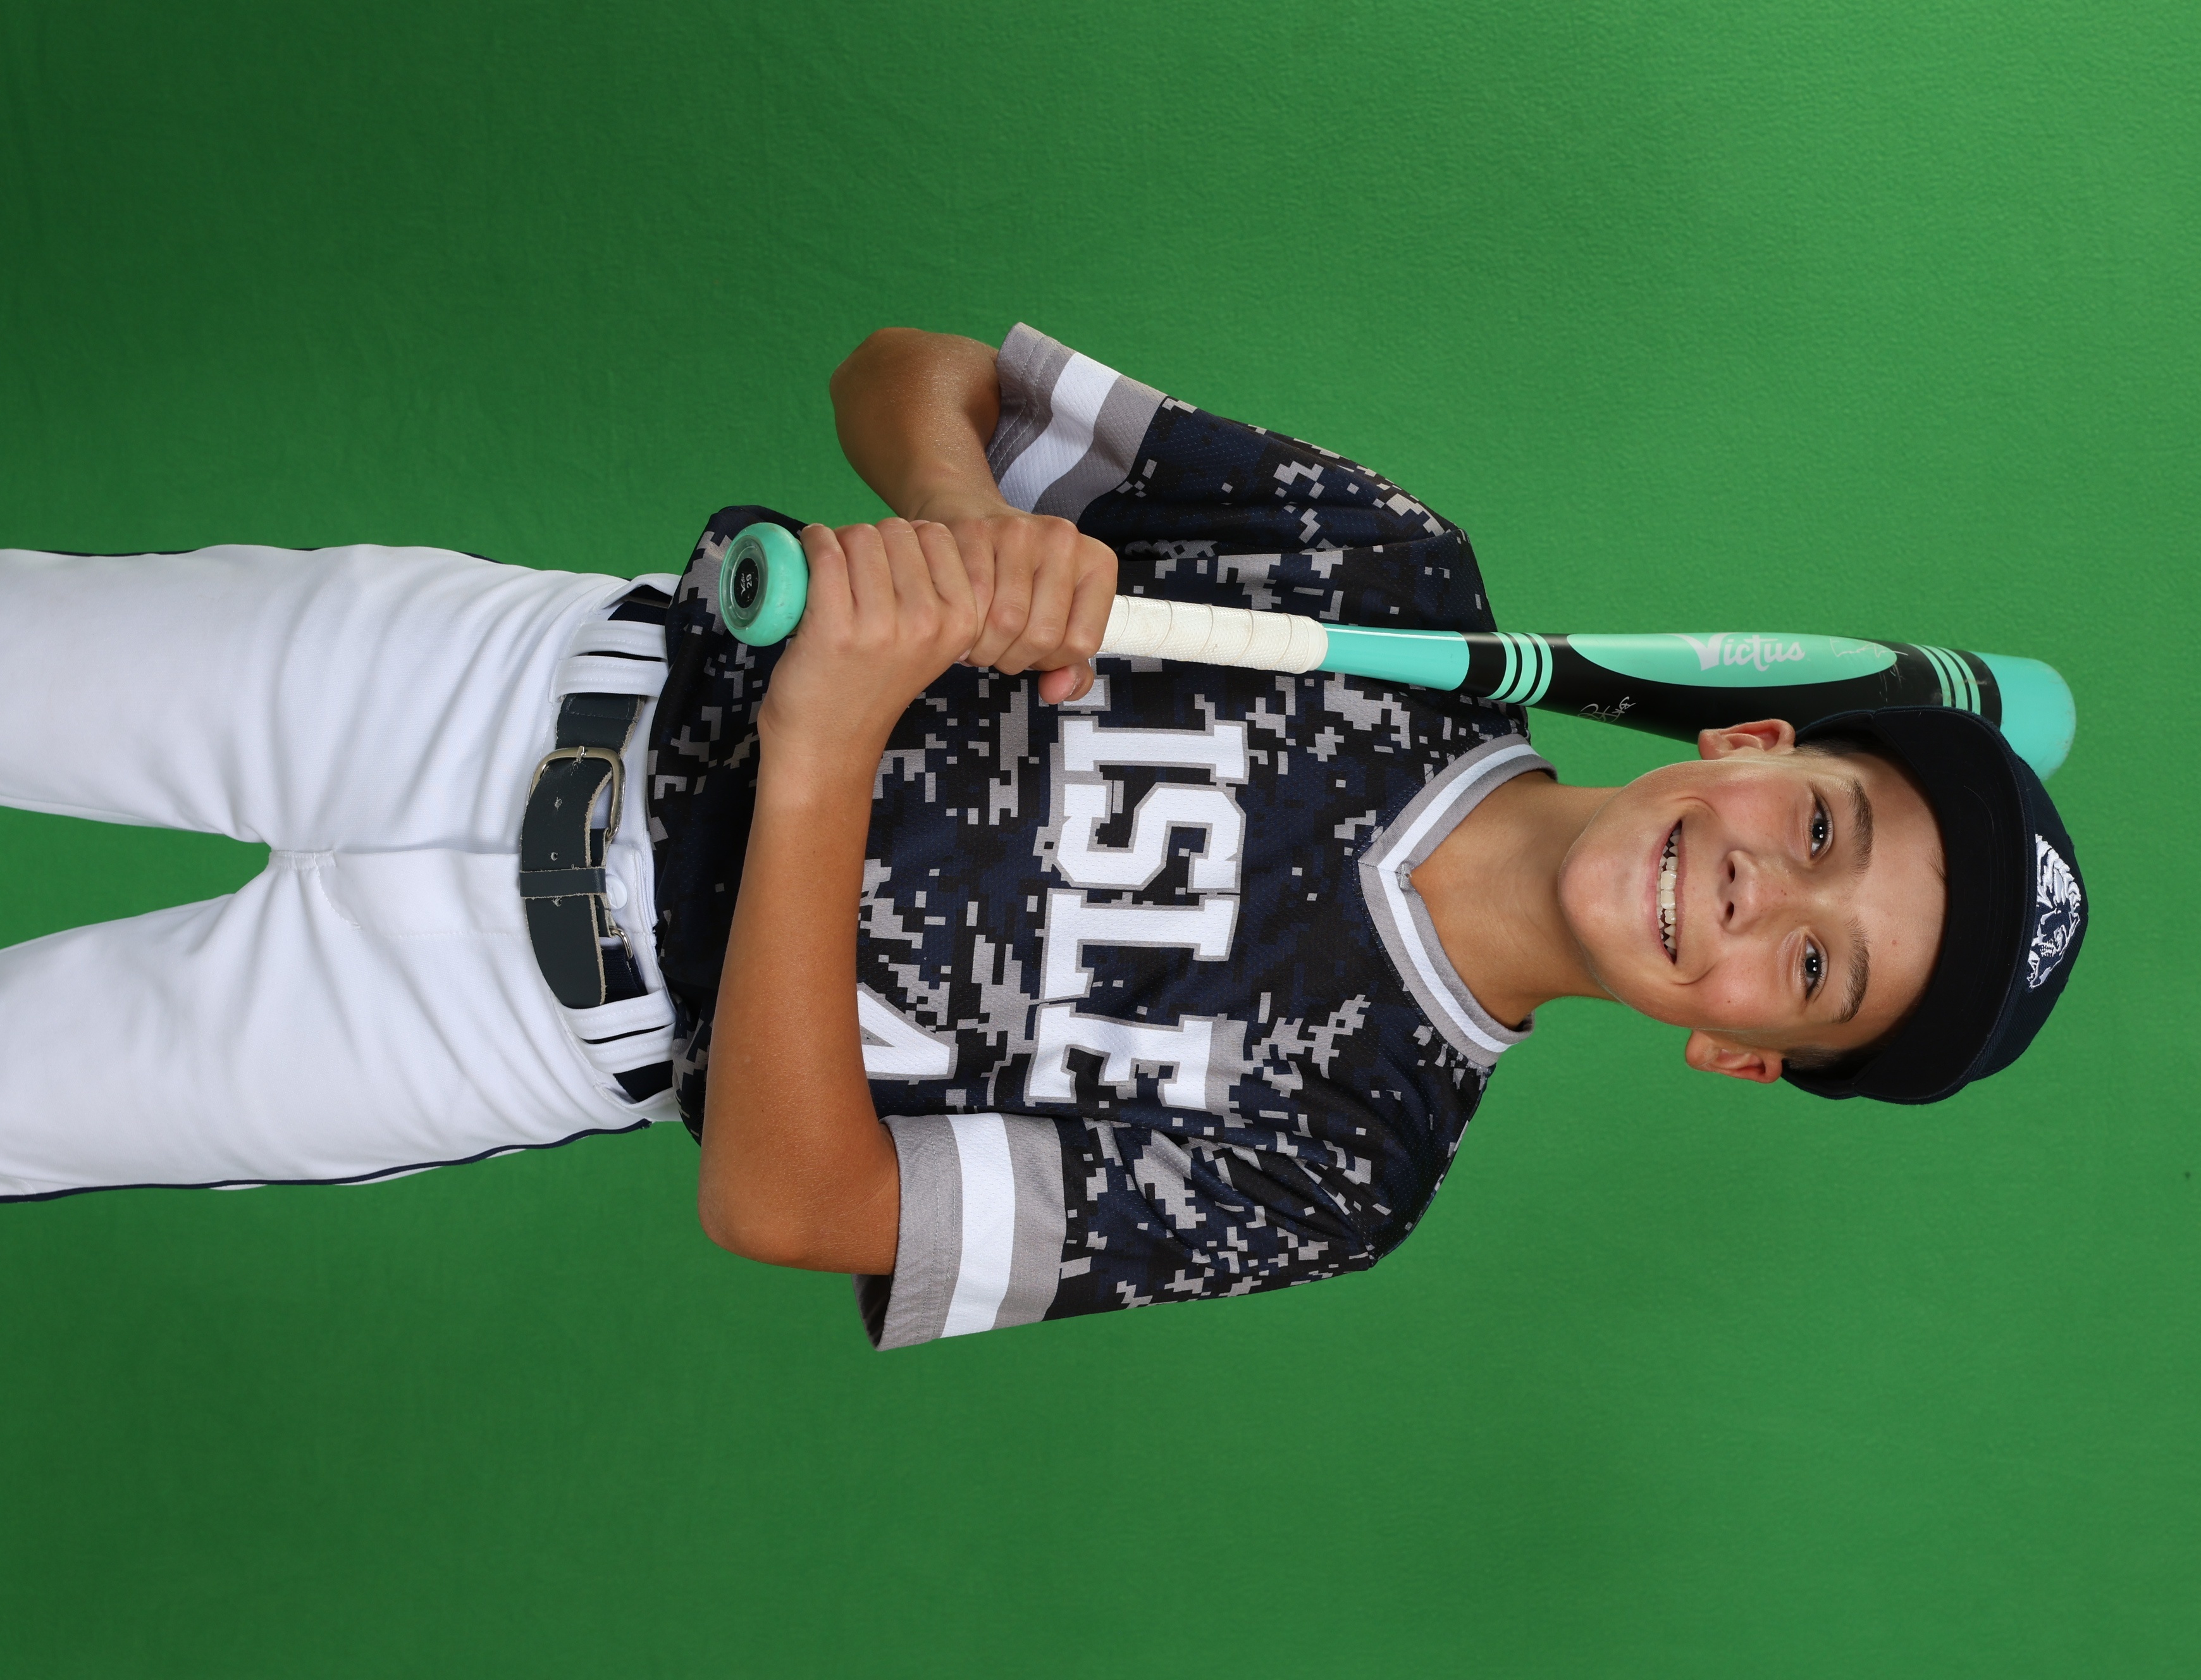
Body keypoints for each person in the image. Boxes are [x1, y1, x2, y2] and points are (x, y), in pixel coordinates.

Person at [0, 324, 2087, 1348]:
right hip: (494, 680)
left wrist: (829, 750)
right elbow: (906, 371)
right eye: (1826, 821)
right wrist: (969, 524)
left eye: (1818, 966)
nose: (1764, 890)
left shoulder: (1345, 1165)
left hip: (482, 1026)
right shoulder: (1390, 581)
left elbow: (794, 1203)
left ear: (1741, 1048)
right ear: (1749, 738)